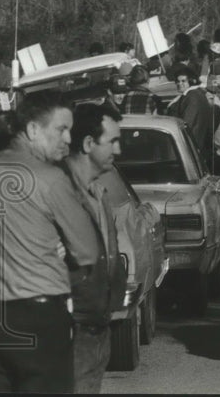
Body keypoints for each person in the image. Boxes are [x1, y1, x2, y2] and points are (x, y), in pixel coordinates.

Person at [0, 92, 101, 392]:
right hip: (38, 315)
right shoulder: (50, 179)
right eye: (61, 129)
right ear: (32, 130)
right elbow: (88, 251)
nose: (68, 138)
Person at [63, 104, 128, 395]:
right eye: (112, 141)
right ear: (88, 143)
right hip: (69, 334)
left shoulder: (98, 193)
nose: (119, 150)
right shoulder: (60, 193)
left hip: (96, 330)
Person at [166, 66, 215, 164]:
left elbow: (186, 124)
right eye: (178, 81)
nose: (179, 84)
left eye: (183, 81)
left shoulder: (192, 97)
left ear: (192, 81)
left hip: (190, 148)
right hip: (198, 147)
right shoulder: (196, 94)